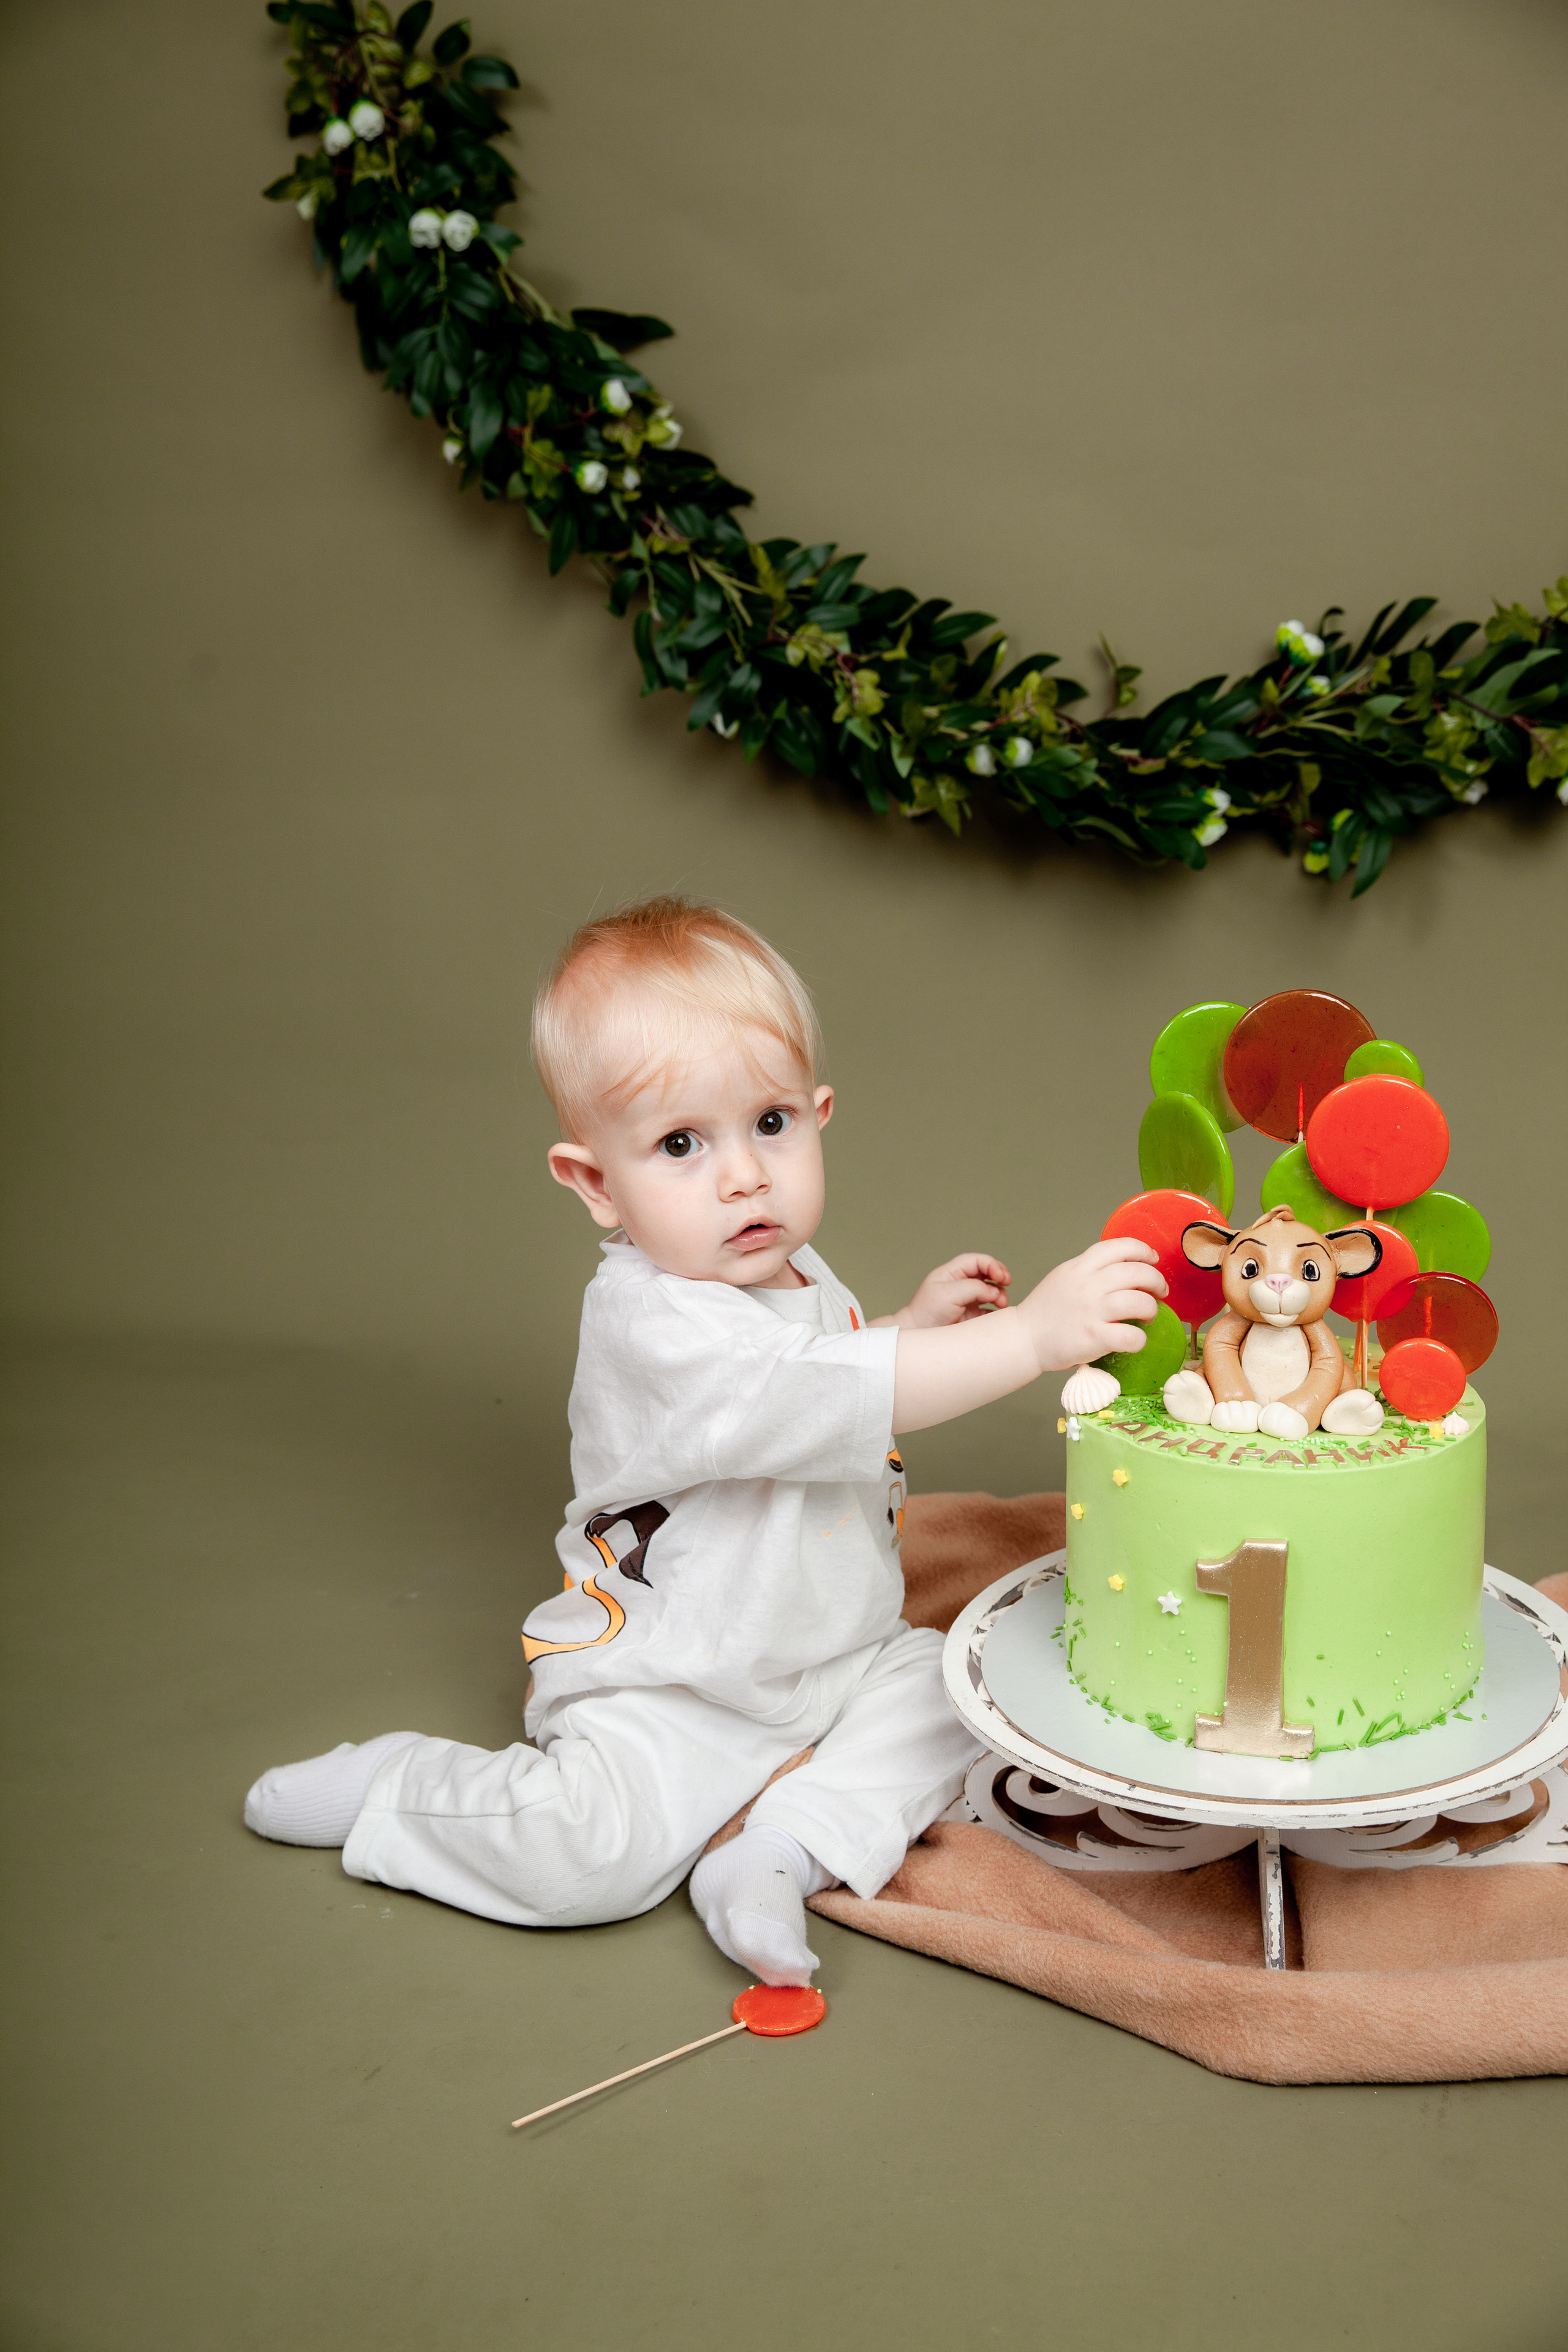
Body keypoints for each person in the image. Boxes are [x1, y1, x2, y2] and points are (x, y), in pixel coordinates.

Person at [244, 897, 1164, 1983]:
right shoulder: (651, 1323)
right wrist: (1031, 1337)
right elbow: (808, 1394)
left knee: (971, 1694)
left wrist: (907, 1329)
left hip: (839, 1653)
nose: (744, 1176)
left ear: (818, 1114)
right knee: (588, 1860)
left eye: (771, 1123)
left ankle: (779, 1849)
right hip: (682, 1683)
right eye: (680, 1144)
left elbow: (815, 1376)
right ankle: (404, 1789)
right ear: (598, 1183)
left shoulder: (776, 1261)